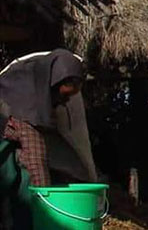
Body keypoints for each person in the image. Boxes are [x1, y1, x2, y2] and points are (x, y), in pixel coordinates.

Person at [0, 50, 95, 230]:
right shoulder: (26, 110)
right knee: (24, 182)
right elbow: (37, 163)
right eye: (63, 95)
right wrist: (49, 213)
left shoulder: (34, 87)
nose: (65, 102)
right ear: (51, 85)